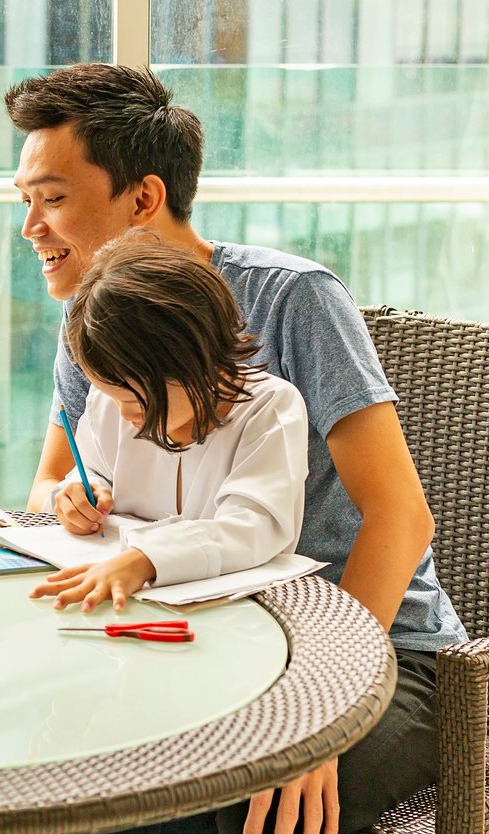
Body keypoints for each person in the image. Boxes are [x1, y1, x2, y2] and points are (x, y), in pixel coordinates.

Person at [6, 63, 466, 834]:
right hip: (201, 644)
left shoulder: (293, 301)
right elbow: (50, 487)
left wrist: (324, 717)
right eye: (25, 200)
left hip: (378, 657)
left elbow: (399, 517)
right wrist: (68, 505)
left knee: (268, 826)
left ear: (143, 197)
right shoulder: (90, 323)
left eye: (52, 199)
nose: (31, 229)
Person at [29, 232, 308, 616]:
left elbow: (255, 526)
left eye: (133, 398)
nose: (123, 413)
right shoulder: (111, 403)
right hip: (123, 607)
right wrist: (78, 493)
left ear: (194, 358)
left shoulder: (269, 408)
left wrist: (146, 560)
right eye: (110, 395)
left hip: (235, 620)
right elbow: (91, 472)